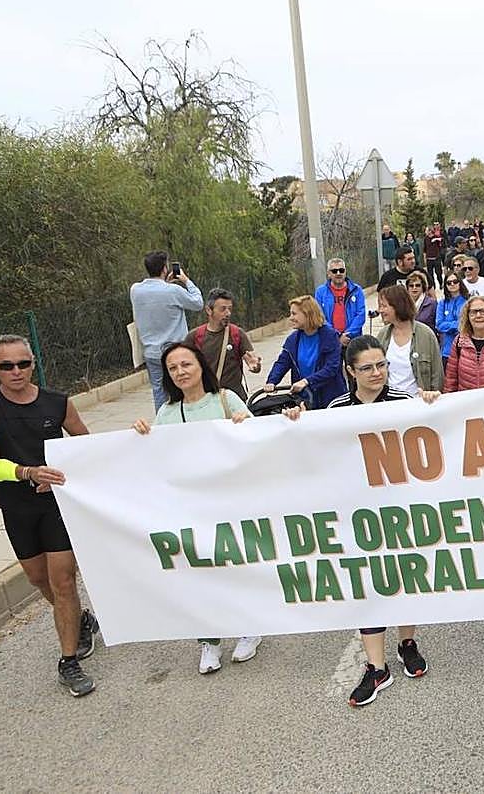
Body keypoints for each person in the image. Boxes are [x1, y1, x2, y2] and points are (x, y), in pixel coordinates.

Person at [131, 342, 263, 675]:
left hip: (228, 502)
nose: (180, 372)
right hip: (189, 506)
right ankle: (210, 640)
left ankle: (249, 628)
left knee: (234, 566)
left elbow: (256, 440)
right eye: (173, 368)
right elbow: (157, 457)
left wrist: (243, 425)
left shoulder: (225, 399)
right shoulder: (166, 414)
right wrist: (142, 435)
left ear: (200, 365)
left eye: (185, 364)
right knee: (198, 572)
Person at [0, 335, 96, 697]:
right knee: (37, 578)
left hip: (56, 505)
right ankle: (81, 620)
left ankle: (69, 661)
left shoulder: (58, 402)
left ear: (33, 363)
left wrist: (61, 471)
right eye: (7, 366)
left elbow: (86, 448)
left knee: (62, 582)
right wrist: (30, 473)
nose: (16, 372)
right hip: (15, 506)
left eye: (23, 364)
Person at [326, 336, 431, 705]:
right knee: (368, 583)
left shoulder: (404, 402)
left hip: (401, 508)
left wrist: (433, 406)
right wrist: (295, 420)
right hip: (359, 511)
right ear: (350, 371)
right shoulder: (336, 408)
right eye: (367, 367)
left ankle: (407, 643)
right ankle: (376, 667)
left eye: (382, 364)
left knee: (405, 578)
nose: (377, 373)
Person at [130, 250, 205, 410]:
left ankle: (163, 423)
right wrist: (186, 280)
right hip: (175, 350)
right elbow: (198, 303)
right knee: (182, 387)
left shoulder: (135, 290)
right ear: (165, 268)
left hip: (151, 352)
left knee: (159, 391)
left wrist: (166, 284)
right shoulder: (173, 291)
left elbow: (155, 299)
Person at [264, 295, 346, 408]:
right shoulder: (293, 340)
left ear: (308, 314)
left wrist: (307, 381)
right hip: (305, 398)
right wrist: (272, 381)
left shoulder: (330, 336)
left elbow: (331, 368)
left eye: (294, 314)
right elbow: (282, 363)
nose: (290, 318)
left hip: (330, 398)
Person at [186, 288, 261, 400]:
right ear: (209, 310)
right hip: (206, 399)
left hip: (235, 400)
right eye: (223, 309)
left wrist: (255, 366)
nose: (228, 313)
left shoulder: (237, 334)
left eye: (230, 309)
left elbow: (251, 359)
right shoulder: (194, 337)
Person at [375, 284, 444, 397]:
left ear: (398, 306)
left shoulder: (426, 335)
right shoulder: (382, 335)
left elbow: (437, 374)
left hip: (418, 403)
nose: (380, 310)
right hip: (389, 403)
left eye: (384, 306)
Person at [314, 257, 366, 347]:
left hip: (353, 340)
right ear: (328, 274)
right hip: (330, 340)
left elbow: (361, 315)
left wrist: (347, 334)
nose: (338, 273)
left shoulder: (357, 290)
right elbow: (320, 317)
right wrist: (337, 336)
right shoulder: (320, 292)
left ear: (345, 272)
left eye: (341, 270)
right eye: (334, 271)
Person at [436, 273, 469, 365]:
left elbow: (466, 324)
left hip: (465, 349)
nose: (452, 284)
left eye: (455, 281)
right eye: (449, 283)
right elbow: (439, 325)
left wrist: (448, 325)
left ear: (460, 283)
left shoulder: (468, 302)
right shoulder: (442, 303)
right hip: (447, 351)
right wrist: (457, 325)